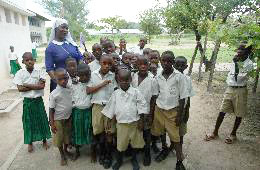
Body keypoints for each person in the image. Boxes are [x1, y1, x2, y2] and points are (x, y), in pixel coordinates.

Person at [205, 43, 254, 144]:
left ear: (247, 52)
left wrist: (236, 64)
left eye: (242, 50)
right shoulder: (236, 59)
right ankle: (215, 132)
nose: (238, 52)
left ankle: (233, 134)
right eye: (238, 50)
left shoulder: (249, 63)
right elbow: (230, 76)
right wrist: (235, 63)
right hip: (230, 88)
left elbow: (239, 77)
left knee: (239, 113)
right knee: (222, 111)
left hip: (241, 90)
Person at [102, 68, 147, 170]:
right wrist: (109, 120)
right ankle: (119, 160)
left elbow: (142, 105)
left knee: (135, 143)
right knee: (121, 144)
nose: (124, 82)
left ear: (130, 79)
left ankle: (134, 159)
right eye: (121, 80)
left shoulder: (136, 92)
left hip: (135, 123)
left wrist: (141, 120)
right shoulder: (116, 94)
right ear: (118, 80)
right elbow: (111, 107)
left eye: (126, 80)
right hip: (121, 124)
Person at [151, 51, 187, 170]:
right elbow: (155, 95)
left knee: (175, 137)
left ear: (173, 62)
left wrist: (179, 115)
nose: (166, 63)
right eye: (164, 61)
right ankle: (164, 149)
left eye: (169, 61)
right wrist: (152, 113)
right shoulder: (157, 76)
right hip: (159, 110)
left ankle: (179, 161)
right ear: (160, 61)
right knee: (161, 132)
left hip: (173, 111)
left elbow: (182, 98)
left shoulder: (179, 77)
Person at [13, 52, 51, 153]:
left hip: (38, 101)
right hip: (27, 102)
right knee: (28, 122)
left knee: (41, 120)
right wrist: (35, 86)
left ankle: (44, 140)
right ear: (23, 62)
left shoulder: (40, 71)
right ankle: (30, 142)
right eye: (27, 60)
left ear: (34, 60)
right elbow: (20, 89)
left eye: (31, 59)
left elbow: (41, 86)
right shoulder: (19, 73)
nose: (29, 61)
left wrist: (26, 84)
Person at [87, 55, 117, 169]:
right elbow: (88, 90)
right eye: (104, 63)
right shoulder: (93, 74)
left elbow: (115, 92)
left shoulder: (113, 76)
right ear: (100, 62)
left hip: (109, 107)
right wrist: (103, 84)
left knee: (109, 132)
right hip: (97, 107)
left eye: (109, 64)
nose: (107, 66)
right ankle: (102, 153)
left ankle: (108, 156)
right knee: (98, 132)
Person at [131, 56, 157, 166]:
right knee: (135, 133)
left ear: (148, 65)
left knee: (147, 133)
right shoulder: (132, 76)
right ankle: (134, 153)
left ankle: (147, 153)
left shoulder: (152, 80)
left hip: (146, 112)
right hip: (133, 111)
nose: (142, 66)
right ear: (136, 65)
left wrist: (151, 114)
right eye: (140, 64)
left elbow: (153, 98)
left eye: (145, 64)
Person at [45, 18, 83, 92]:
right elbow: (49, 69)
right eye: (63, 27)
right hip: (61, 83)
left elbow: (80, 58)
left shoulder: (72, 44)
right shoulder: (50, 48)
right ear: (56, 28)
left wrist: (80, 76)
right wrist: (60, 83)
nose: (65, 30)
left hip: (76, 80)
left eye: (67, 28)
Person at [49, 68, 73, 166]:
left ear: (68, 77)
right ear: (55, 80)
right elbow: (51, 109)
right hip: (58, 120)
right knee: (59, 138)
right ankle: (62, 154)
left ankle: (65, 149)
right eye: (60, 79)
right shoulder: (54, 93)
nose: (63, 81)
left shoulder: (70, 89)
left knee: (67, 136)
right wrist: (52, 123)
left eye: (65, 78)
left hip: (68, 118)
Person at [71, 63, 93, 161]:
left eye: (87, 75)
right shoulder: (74, 84)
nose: (84, 77)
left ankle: (93, 152)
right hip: (77, 112)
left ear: (90, 73)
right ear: (77, 74)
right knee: (77, 132)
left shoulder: (92, 83)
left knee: (90, 131)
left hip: (89, 111)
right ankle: (77, 151)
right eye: (81, 75)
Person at [174, 56, 195, 159]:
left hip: (182, 110)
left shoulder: (187, 79)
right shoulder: (170, 78)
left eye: (182, 65)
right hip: (171, 110)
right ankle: (170, 146)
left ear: (186, 66)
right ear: (174, 65)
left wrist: (187, 111)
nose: (179, 67)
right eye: (177, 65)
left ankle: (180, 150)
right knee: (170, 130)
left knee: (181, 132)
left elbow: (189, 97)